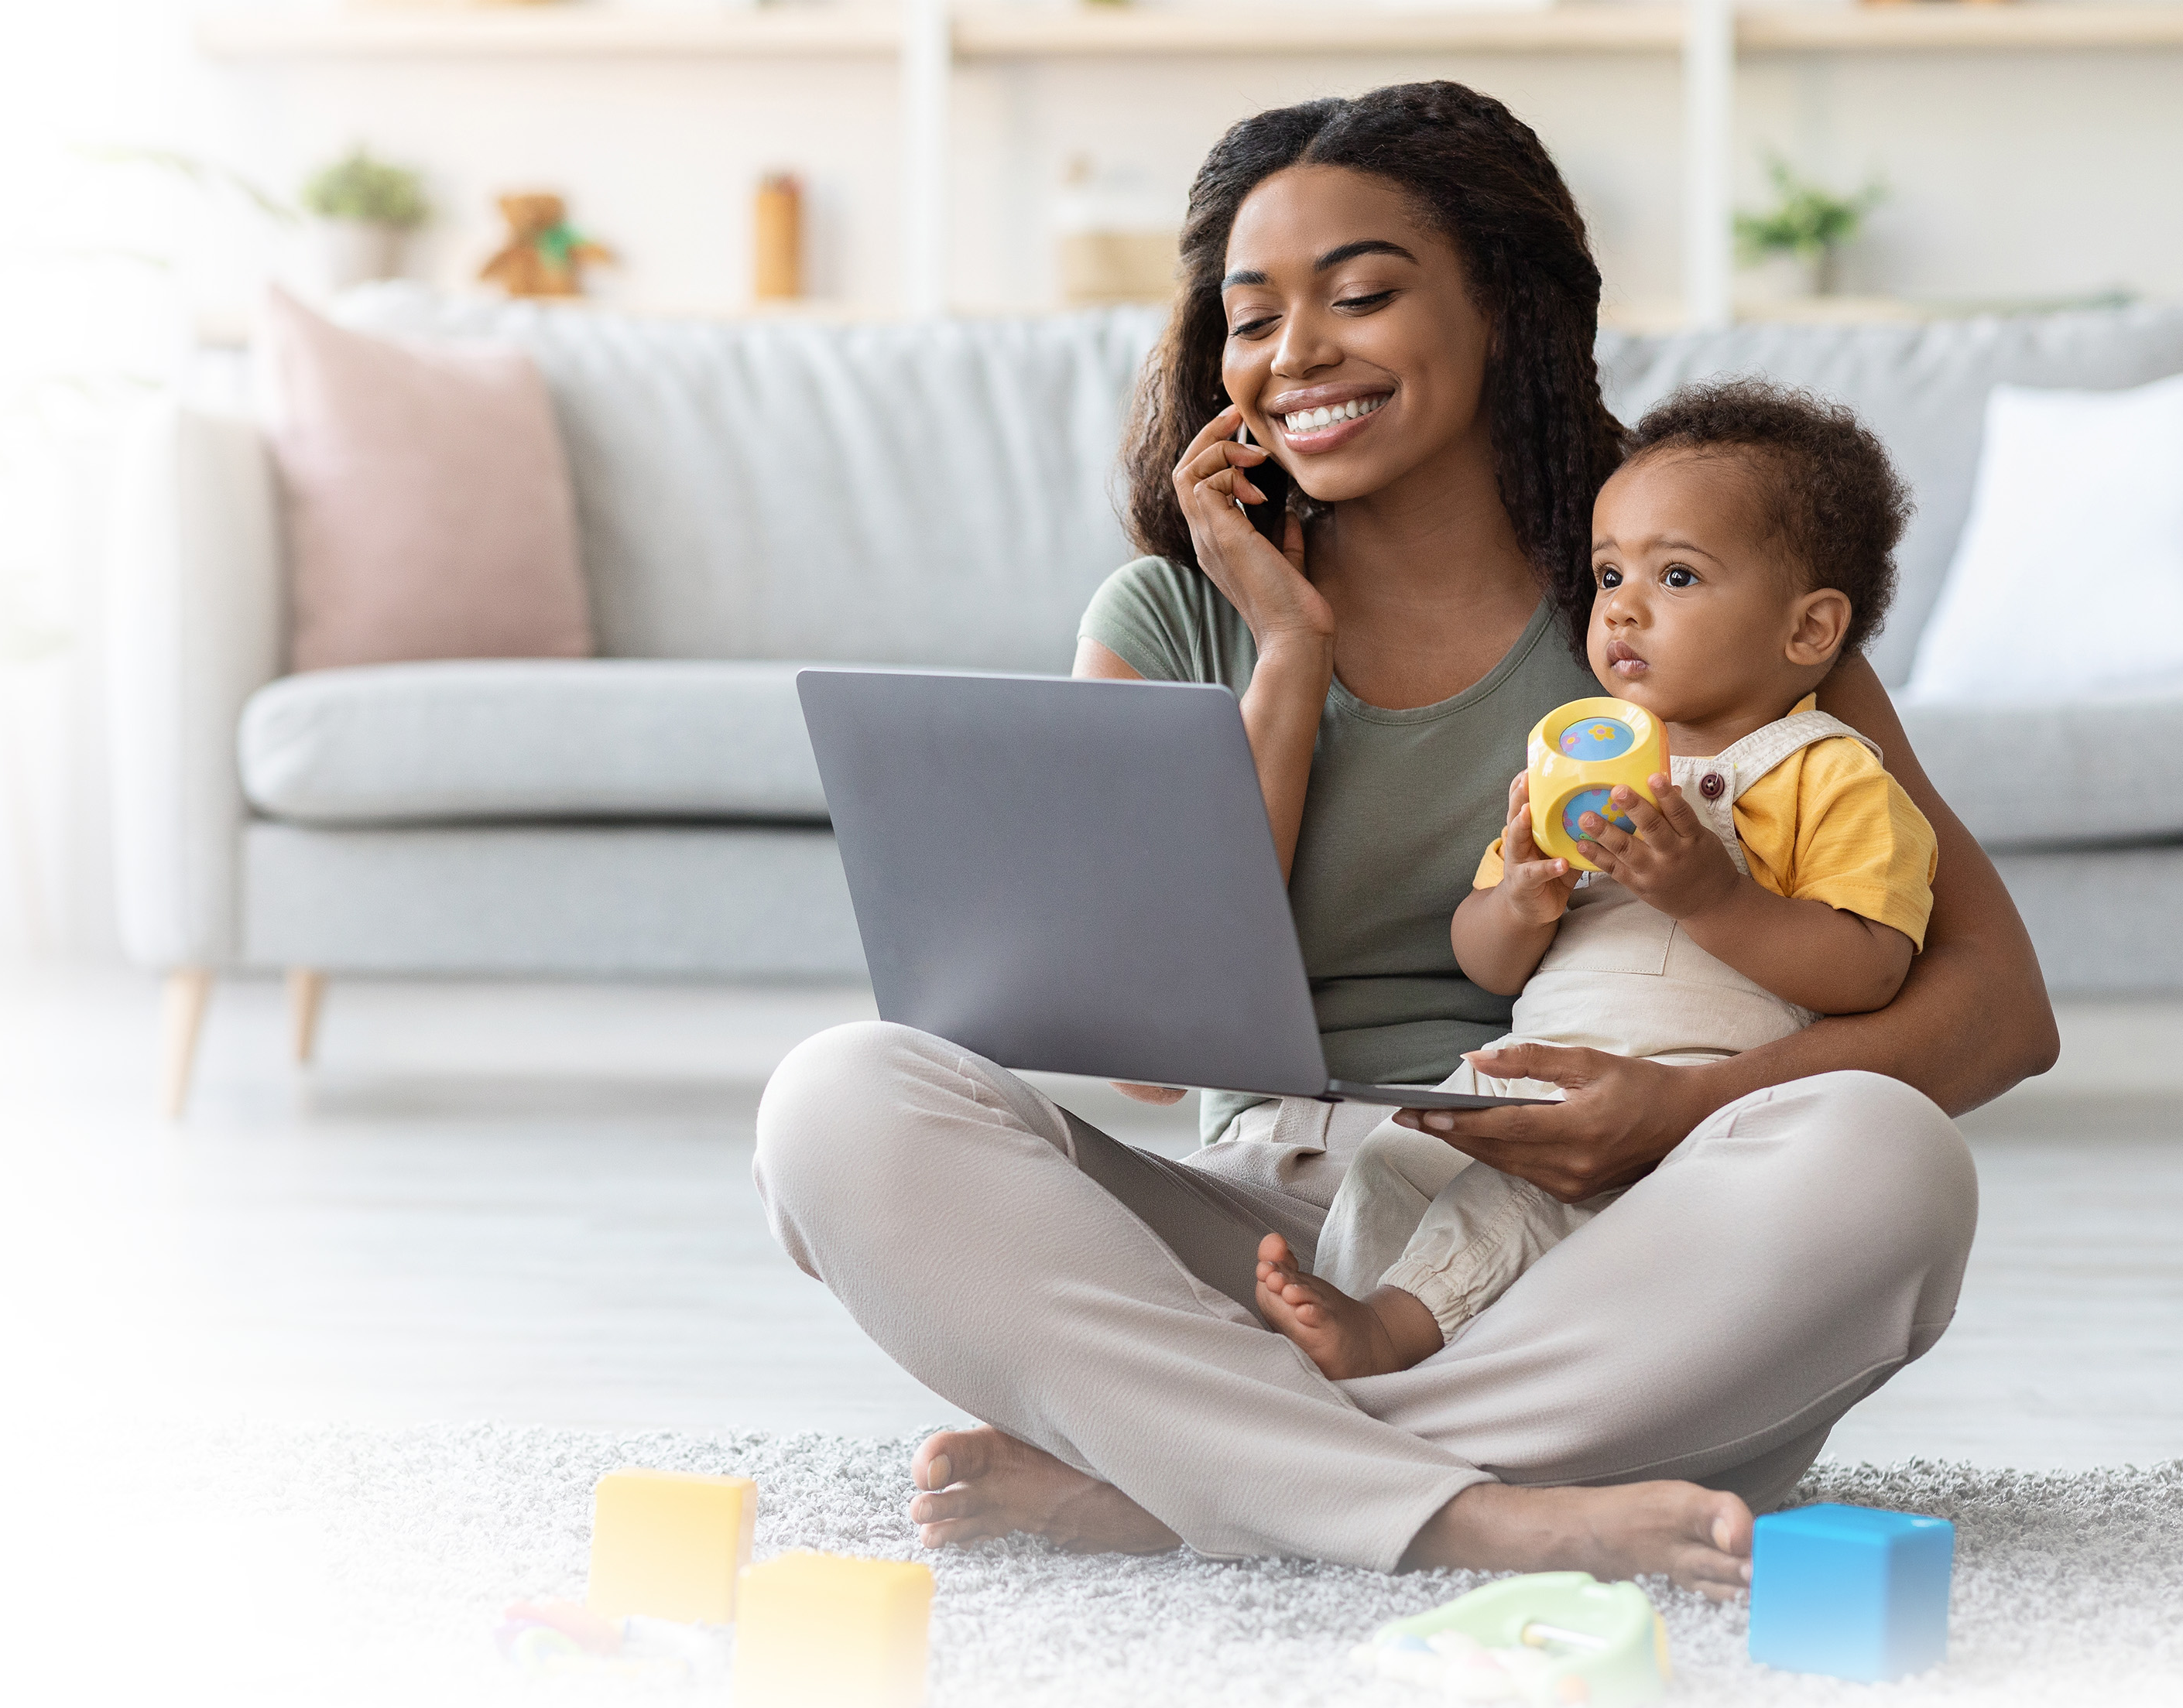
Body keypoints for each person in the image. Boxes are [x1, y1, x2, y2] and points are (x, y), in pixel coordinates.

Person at [747, 81, 2053, 1593]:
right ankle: (1470, 1510)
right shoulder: (1168, 616)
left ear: (1505, 308)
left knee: (1881, 1157)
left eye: (1357, 294)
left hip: (1602, 1257)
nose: (1293, 352)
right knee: (835, 1100)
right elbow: (1147, 1061)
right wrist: (1284, 655)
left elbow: (1994, 1009)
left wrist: (1680, 1114)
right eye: (1248, 317)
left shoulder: (1692, 606)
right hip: (1264, 1241)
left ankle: (1203, 1483)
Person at [1251, 382, 1945, 1380]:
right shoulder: (1575, 763)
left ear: (1808, 632)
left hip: (1680, 1092)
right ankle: (1359, 1342)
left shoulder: (1829, 771)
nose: (1621, 605)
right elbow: (1482, 960)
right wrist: (1519, 901)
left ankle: (1392, 1337)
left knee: (1522, 1204)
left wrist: (1714, 898)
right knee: (1397, 1164)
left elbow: (1870, 968)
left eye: (1676, 576)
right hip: (1533, 1063)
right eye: (1609, 572)